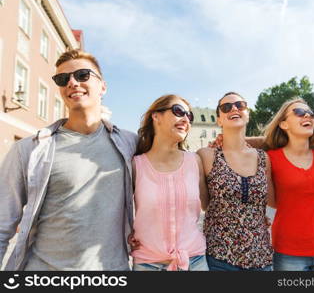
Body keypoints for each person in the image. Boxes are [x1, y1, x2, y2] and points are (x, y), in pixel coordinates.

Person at [0, 49, 137, 270]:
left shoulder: (130, 144)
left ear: (103, 87)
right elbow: (2, 224)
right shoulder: (29, 150)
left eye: (83, 75)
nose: (72, 82)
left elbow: (170, 158)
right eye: (63, 79)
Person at [130, 94, 209, 271]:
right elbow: (120, 209)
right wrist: (125, 233)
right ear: (156, 116)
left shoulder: (195, 161)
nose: (185, 119)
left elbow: (209, 206)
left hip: (195, 262)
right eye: (178, 111)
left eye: (190, 116)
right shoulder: (136, 165)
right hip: (147, 264)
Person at [197, 92, 274, 271]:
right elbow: (203, 204)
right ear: (219, 121)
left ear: (248, 114)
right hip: (219, 258)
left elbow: (272, 200)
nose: (234, 108)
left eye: (240, 105)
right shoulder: (206, 156)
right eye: (226, 107)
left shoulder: (264, 158)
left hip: (260, 257)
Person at [263, 98, 314, 271]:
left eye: (311, 113)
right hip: (288, 251)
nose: (307, 114)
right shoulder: (271, 159)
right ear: (283, 124)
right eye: (299, 112)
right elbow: (271, 201)